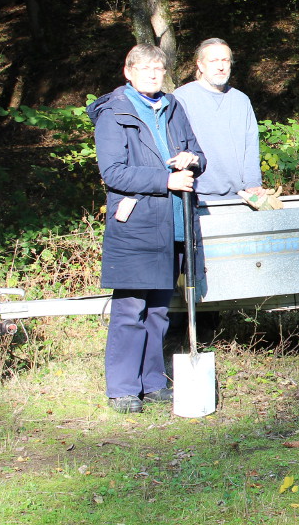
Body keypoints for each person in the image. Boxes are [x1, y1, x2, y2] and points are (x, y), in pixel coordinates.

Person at [88, 45, 206, 413]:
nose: (153, 75)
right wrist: (165, 180)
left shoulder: (173, 107)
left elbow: (198, 154)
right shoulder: (114, 113)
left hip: (174, 221)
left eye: (158, 69)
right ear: (129, 71)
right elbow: (113, 172)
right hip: (136, 222)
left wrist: (192, 160)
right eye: (145, 69)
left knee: (158, 310)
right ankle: (123, 389)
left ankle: (152, 383)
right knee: (130, 309)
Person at [173, 38, 265, 202]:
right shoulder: (181, 98)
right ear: (200, 65)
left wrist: (253, 183)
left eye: (225, 60)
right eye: (214, 61)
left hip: (239, 197)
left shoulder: (241, 100)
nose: (221, 66)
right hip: (194, 197)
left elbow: (250, 146)